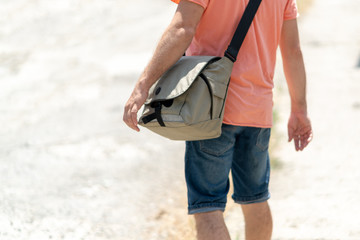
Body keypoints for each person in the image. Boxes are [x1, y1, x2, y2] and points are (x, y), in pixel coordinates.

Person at [123, 0, 313, 239]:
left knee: (208, 208)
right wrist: (299, 110)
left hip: (209, 109)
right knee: (255, 199)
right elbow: (293, 51)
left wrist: (142, 87)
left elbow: (182, 28)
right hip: (258, 111)